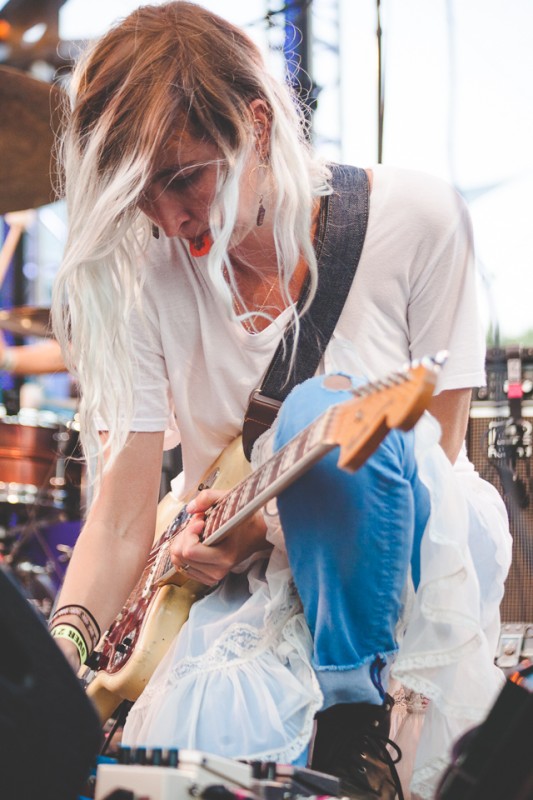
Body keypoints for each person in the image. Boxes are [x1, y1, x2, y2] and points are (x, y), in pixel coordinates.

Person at [48, 3, 511, 799]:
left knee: (320, 411)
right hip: (239, 590)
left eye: (183, 177)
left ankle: (352, 724)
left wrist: (268, 524)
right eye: (140, 196)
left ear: (256, 125)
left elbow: (434, 459)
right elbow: (123, 518)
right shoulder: (144, 276)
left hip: (403, 570)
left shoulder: (420, 219)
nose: (168, 219)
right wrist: (57, 657)